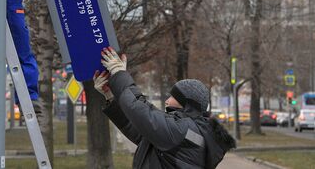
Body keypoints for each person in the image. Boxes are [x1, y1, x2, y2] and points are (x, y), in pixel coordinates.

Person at [94, 47, 236, 168]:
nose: (167, 101)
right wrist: (110, 95)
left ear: (186, 103)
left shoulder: (183, 130)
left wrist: (119, 73)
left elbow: (140, 110)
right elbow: (140, 132)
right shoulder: (185, 129)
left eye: (172, 97)